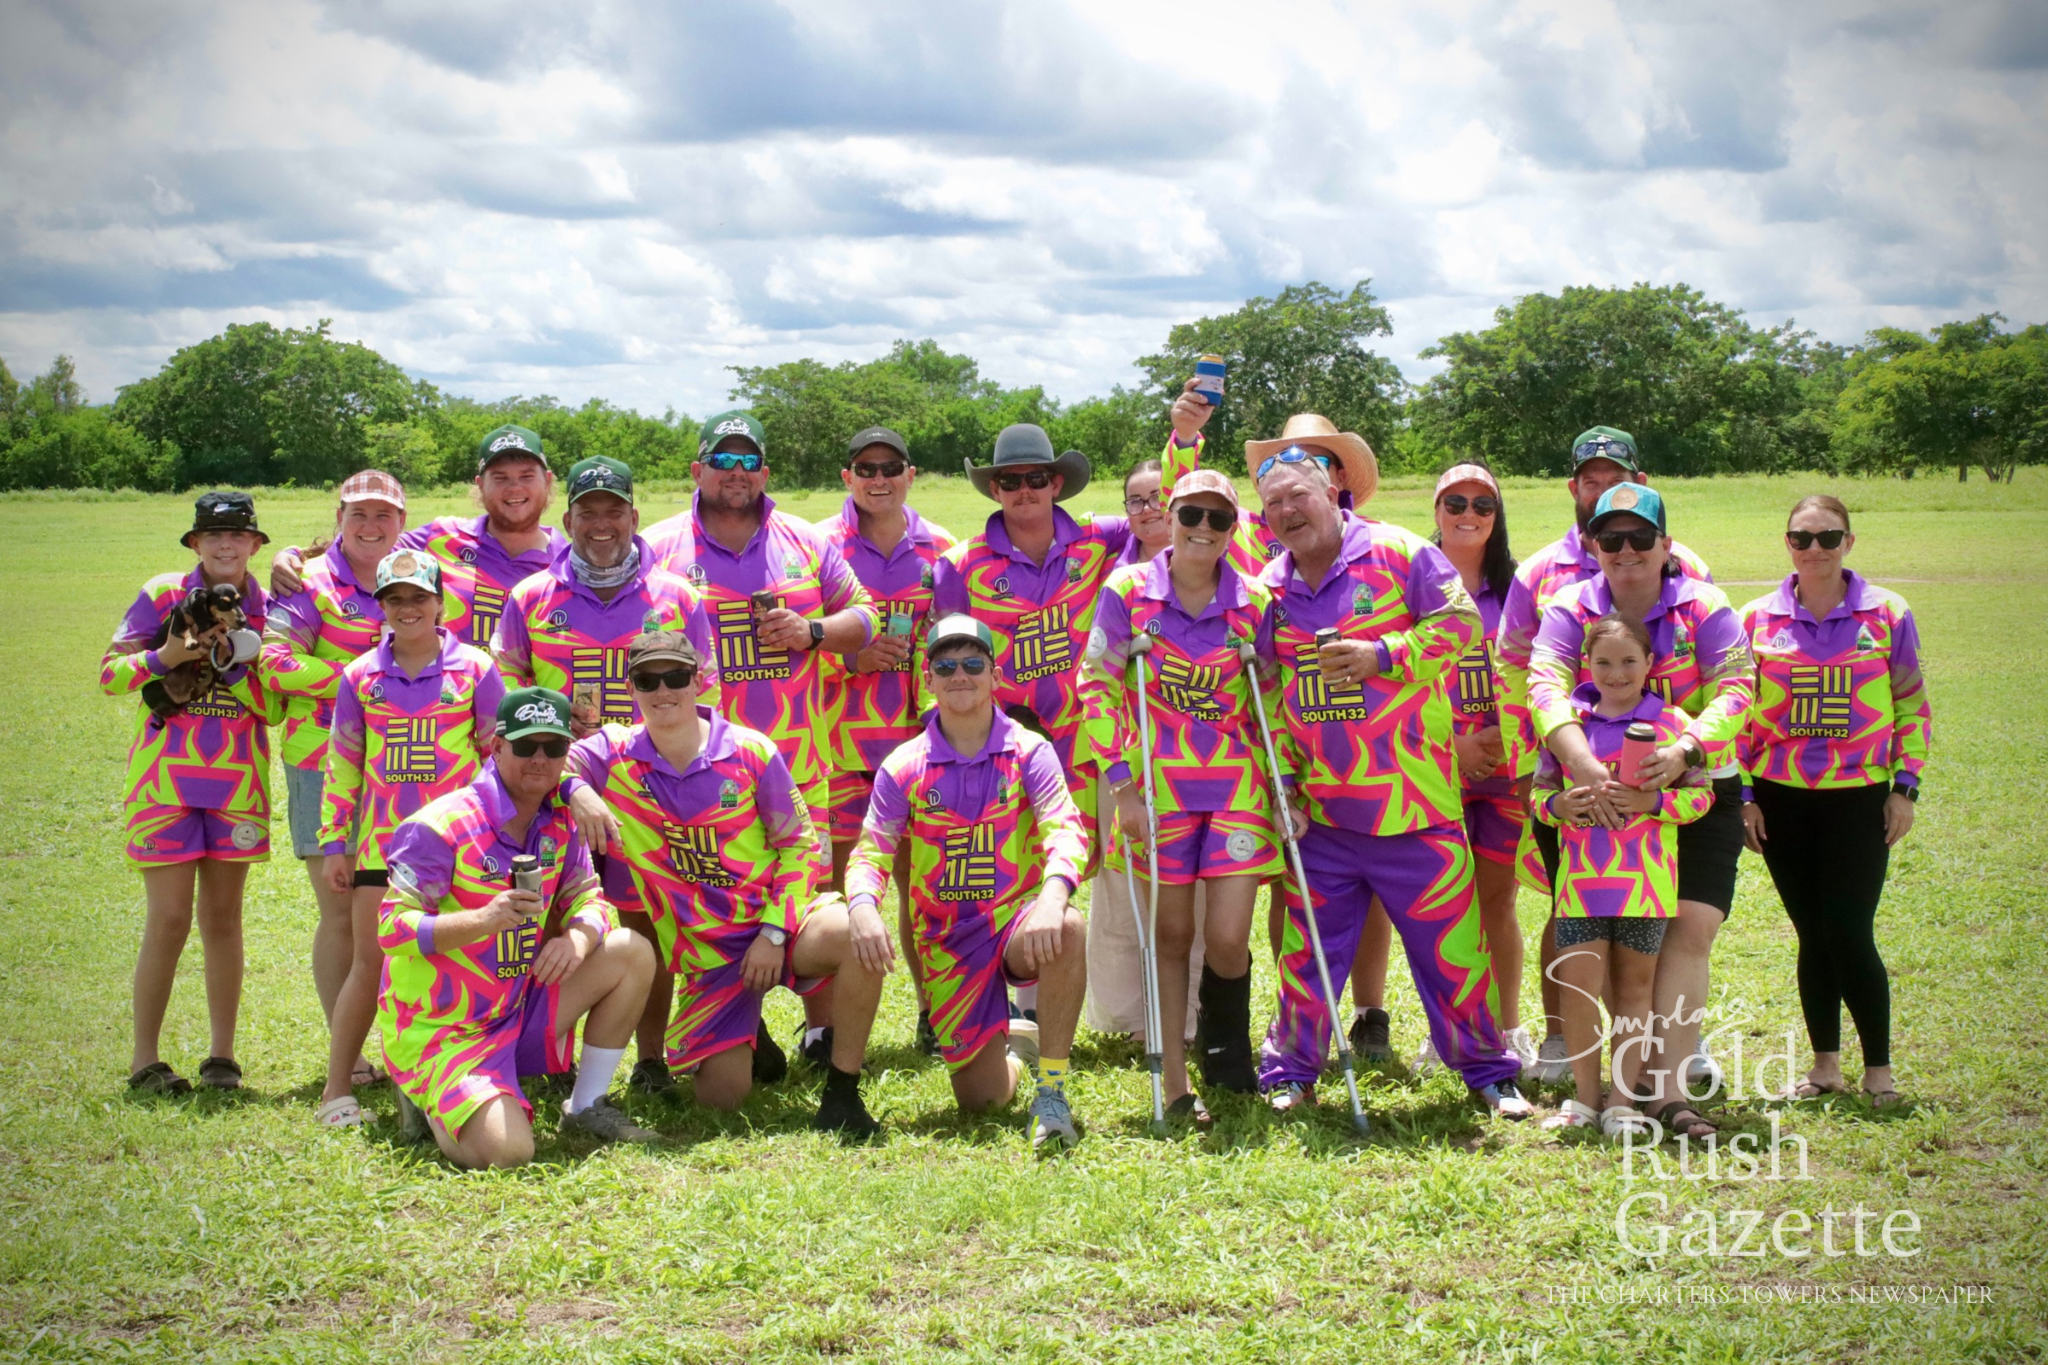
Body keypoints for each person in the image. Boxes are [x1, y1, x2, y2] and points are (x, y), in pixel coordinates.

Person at [1249, 444, 1532, 1119]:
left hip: (1418, 811)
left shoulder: (1401, 552)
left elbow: (1463, 625)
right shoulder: (1268, 587)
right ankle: (1290, 1069)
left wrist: (1385, 654)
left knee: (1454, 955)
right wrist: (1284, 777)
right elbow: (1269, 691)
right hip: (1323, 817)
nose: (1289, 511)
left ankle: (1489, 1072)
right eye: (1275, 504)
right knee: (1308, 958)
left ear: (1334, 492)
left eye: (1300, 495)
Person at [566, 633, 887, 1133]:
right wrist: (577, 790)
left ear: (698, 681)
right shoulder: (612, 754)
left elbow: (799, 846)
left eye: (675, 676)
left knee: (854, 932)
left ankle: (843, 1089)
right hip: (709, 955)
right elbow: (548, 766)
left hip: (778, 924)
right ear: (632, 688)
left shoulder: (751, 751)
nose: (663, 690)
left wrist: (774, 933)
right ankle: (746, 1033)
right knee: (722, 1100)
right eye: (648, 680)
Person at [643, 410, 878, 1068]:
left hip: (797, 765)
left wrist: (812, 632)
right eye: (724, 459)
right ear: (697, 470)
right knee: (705, 898)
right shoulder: (659, 547)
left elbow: (866, 615)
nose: (736, 474)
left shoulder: (803, 539)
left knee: (808, 900)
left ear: (766, 473)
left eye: (749, 462)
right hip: (696, 775)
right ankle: (730, 1026)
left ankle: (820, 1029)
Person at [1527, 483, 1752, 1142]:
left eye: (1639, 538)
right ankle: (1614, 1087)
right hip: (1589, 791)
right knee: (1602, 945)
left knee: (1687, 928)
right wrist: (1581, 762)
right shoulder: (1570, 605)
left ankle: (1669, 1093)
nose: (1626, 551)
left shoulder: (1704, 604)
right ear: (1593, 545)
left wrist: (1684, 749)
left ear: (1665, 544)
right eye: (1611, 538)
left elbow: (1740, 684)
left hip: (1695, 781)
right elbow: (1543, 683)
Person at [493, 454, 719, 1094]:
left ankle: (650, 1060)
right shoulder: (531, 596)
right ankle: (547, 1054)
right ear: (566, 520)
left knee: (648, 918)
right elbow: (503, 700)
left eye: (613, 511)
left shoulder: (676, 596)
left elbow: (709, 696)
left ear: (633, 517)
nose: (600, 524)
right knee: (559, 919)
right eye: (587, 512)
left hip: (654, 790)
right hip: (555, 788)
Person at [1494, 426, 1711, 1084]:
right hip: (1568, 764)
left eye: (1616, 475)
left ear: (1641, 486)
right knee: (1570, 912)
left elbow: (1711, 660)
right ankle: (1565, 1043)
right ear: (1574, 488)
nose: (1602, 488)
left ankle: (1658, 1055)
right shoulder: (1540, 572)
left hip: (1661, 763)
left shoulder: (1686, 566)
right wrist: (1538, 765)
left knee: (1661, 915)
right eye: (1591, 478)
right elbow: (1512, 669)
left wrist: (1682, 749)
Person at [379, 687, 657, 1169]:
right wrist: (482, 920)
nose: (540, 759)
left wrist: (578, 936)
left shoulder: (559, 823)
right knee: (510, 1153)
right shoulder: (440, 825)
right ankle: (424, 1092)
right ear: (497, 747)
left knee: (632, 950)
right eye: (527, 746)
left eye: (554, 747)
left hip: (519, 1006)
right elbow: (391, 929)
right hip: (447, 1028)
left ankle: (585, 1105)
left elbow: (590, 898)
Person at [843, 616, 1091, 1151]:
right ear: (928, 680)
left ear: (995, 675)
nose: (961, 674)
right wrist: (863, 906)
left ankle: (1052, 1092)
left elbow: (1065, 828)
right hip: (947, 943)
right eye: (946, 665)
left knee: (1068, 926)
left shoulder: (1030, 751)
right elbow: (871, 852)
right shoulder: (903, 766)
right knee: (981, 1102)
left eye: (973, 663)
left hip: (1016, 925)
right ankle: (1014, 1050)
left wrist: (1052, 895)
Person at [1087, 469, 1279, 1124]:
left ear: (1234, 528)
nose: (1202, 529)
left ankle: (1226, 1046)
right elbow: (1097, 685)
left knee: (1226, 938)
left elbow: (1272, 702)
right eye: (1190, 515)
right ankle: (1175, 1079)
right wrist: (1123, 786)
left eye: (1218, 519)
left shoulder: (1253, 601)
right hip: (1156, 789)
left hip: (1236, 789)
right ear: (1169, 516)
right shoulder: (1127, 592)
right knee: (1170, 932)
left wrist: (1290, 786)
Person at [1739, 496, 1930, 1107]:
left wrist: (1905, 786)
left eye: (1827, 537)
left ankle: (1880, 1071)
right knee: (1811, 933)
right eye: (1802, 537)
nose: (1814, 549)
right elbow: (1738, 715)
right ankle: (1825, 1067)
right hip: (1780, 798)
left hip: (1860, 797)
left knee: (1849, 930)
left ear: (1850, 542)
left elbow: (1911, 705)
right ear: (1786, 542)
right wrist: (1744, 796)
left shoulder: (1887, 614)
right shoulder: (1755, 620)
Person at [1349, 464, 1537, 1074]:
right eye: (1455, 501)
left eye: (1483, 503)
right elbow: (1389, 675)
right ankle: (1447, 1033)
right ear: (1435, 508)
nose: (1469, 513)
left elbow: (1538, 678)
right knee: (1443, 909)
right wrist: (1451, 746)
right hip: (1429, 771)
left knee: (1496, 903)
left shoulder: (1519, 587)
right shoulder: (1405, 578)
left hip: (1506, 772)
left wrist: (1501, 741)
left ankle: (1507, 1029)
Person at [312, 550, 505, 1127]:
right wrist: (333, 842)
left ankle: (464, 1076)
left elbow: (495, 755)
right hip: (382, 849)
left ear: (441, 602)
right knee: (371, 963)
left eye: (418, 597)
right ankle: (336, 1091)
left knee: (465, 960)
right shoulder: (359, 676)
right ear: (382, 607)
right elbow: (344, 760)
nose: (407, 609)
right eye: (394, 599)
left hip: (461, 848)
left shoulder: (474, 669)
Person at [104, 492, 276, 1093]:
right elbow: (109, 675)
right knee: (170, 919)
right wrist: (167, 655)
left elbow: (275, 707)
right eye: (212, 536)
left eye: (236, 536)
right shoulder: (162, 595)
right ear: (194, 543)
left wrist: (235, 662)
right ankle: (144, 1060)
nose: (225, 546)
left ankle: (221, 1058)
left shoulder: (273, 606)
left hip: (239, 784)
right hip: (163, 785)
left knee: (224, 920)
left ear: (255, 544)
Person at [1532, 614, 1713, 1135]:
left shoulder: (1674, 726)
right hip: (1581, 888)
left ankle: (1622, 1104)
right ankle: (1585, 1102)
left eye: (1629, 661)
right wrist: (1560, 806)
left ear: (1650, 665)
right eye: (1603, 662)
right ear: (1585, 665)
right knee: (1579, 991)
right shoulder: (1568, 726)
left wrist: (1653, 800)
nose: (1616, 674)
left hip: (1647, 887)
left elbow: (1700, 799)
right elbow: (1538, 797)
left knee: (1635, 993)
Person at [930, 424, 1130, 877]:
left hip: (1085, 742)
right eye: (1011, 481)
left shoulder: (1098, 539)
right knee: (1014, 869)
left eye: (1036, 479)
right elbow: (943, 662)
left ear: (1056, 484)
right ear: (995, 489)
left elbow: (1160, 513)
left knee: (1084, 865)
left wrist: (1182, 439)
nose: (1025, 490)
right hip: (1003, 745)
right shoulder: (959, 566)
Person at [262, 469, 407, 1091]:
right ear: (339, 519)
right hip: (321, 760)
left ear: (402, 521)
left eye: (383, 515)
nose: (371, 527)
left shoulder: (417, 572)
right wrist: (356, 678)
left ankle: (413, 1047)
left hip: (405, 764)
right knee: (341, 908)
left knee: (403, 904)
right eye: (359, 515)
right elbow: (272, 661)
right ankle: (346, 1052)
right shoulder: (311, 579)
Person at [813, 426, 956, 1056]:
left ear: (910, 473)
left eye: (890, 467)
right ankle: (835, 1031)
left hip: (922, 749)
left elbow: (960, 645)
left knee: (925, 889)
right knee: (846, 897)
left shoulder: (943, 549)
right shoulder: (819, 546)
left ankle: (936, 1015)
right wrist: (852, 658)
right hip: (840, 750)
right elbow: (792, 654)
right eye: (865, 468)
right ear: (847, 476)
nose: (878, 478)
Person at [1082, 456, 1204, 1048]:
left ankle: (1192, 1012)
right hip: (1126, 758)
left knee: (1197, 896)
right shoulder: (1116, 573)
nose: (1151, 508)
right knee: (1123, 886)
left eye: (1162, 497)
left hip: (1205, 765)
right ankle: (1131, 1016)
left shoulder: (1222, 561)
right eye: (1137, 500)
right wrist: (1121, 773)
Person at [271, 424, 565, 649]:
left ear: (548, 481)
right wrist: (293, 556)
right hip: (444, 715)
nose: (514, 488)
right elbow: (367, 541)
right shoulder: (442, 537)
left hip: (521, 721)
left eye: (526, 476)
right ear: (480, 484)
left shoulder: (566, 564)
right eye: (500, 478)